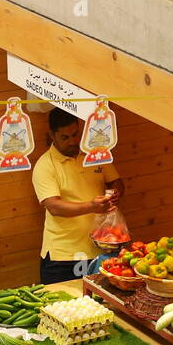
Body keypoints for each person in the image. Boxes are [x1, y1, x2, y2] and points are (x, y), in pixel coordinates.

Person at [31, 106, 124, 284]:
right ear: (52, 135)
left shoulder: (95, 154)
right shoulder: (44, 166)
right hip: (63, 256)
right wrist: (92, 206)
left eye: (75, 134)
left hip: (101, 250)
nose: (73, 141)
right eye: (65, 137)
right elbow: (54, 206)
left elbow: (115, 181)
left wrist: (115, 193)